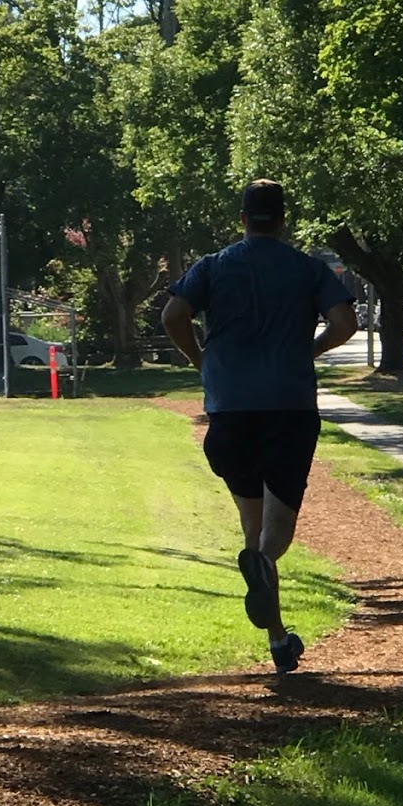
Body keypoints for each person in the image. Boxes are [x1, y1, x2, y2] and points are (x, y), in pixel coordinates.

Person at [161, 179, 357, 675]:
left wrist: (199, 359)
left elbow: (173, 314)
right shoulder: (308, 268)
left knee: (253, 527)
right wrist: (307, 351)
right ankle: (266, 571)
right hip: (288, 409)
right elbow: (345, 324)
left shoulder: (214, 266)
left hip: (228, 411)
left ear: (243, 217)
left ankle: (277, 642)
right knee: (276, 533)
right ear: (284, 218)